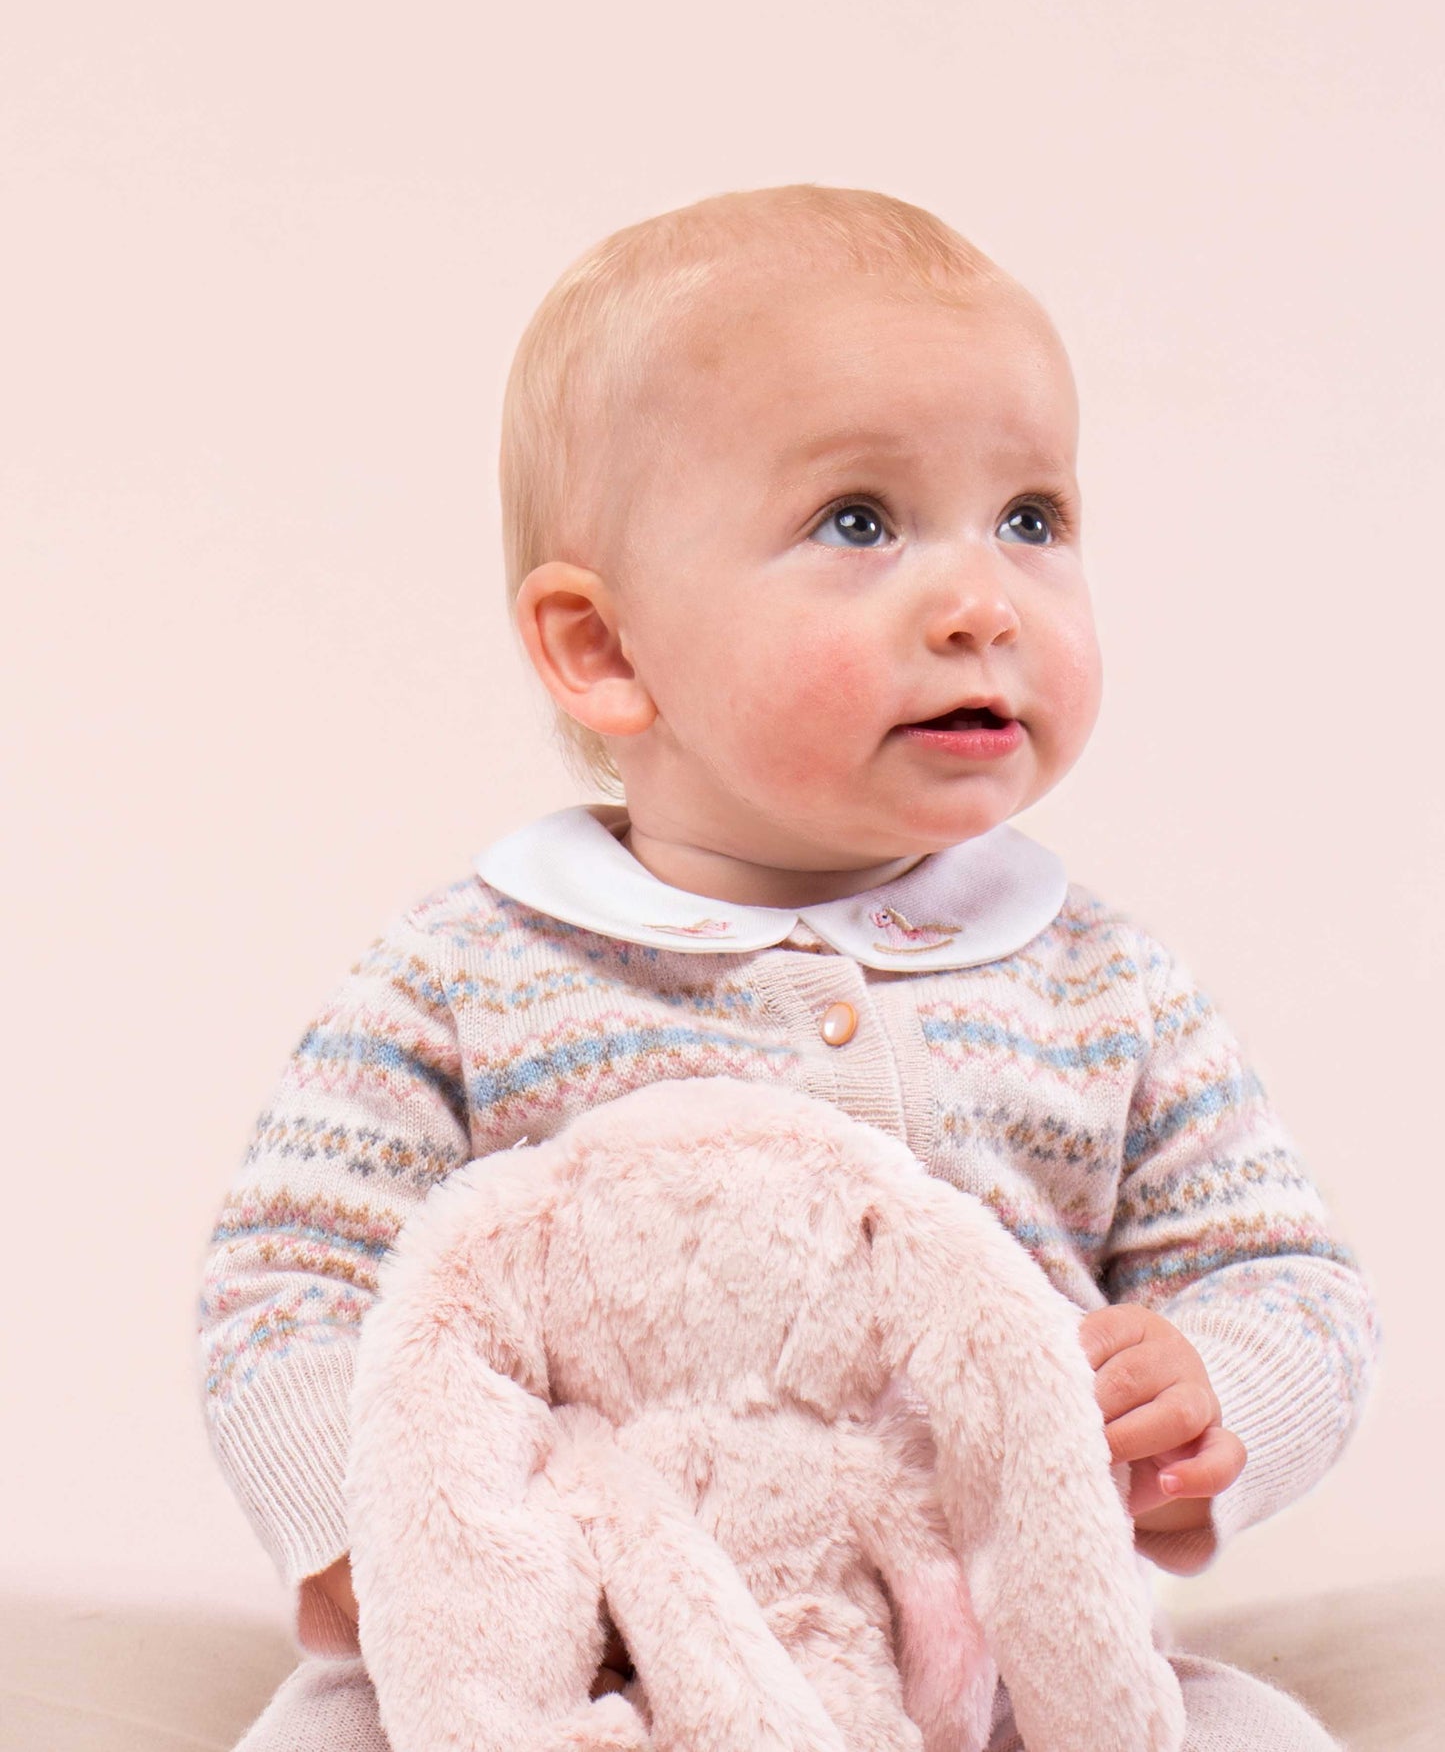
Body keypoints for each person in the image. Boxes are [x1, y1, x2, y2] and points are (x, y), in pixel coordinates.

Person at [199, 184, 1378, 1750]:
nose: (981, 604)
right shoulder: (471, 972)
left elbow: (1283, 1279)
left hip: (987, 1641)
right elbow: (287, 1282)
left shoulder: (1099, 985)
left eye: (1031, 518)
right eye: (858, 522)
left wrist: (1213, 1388)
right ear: (606, 650)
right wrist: (378, 1529)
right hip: (583, 1637)